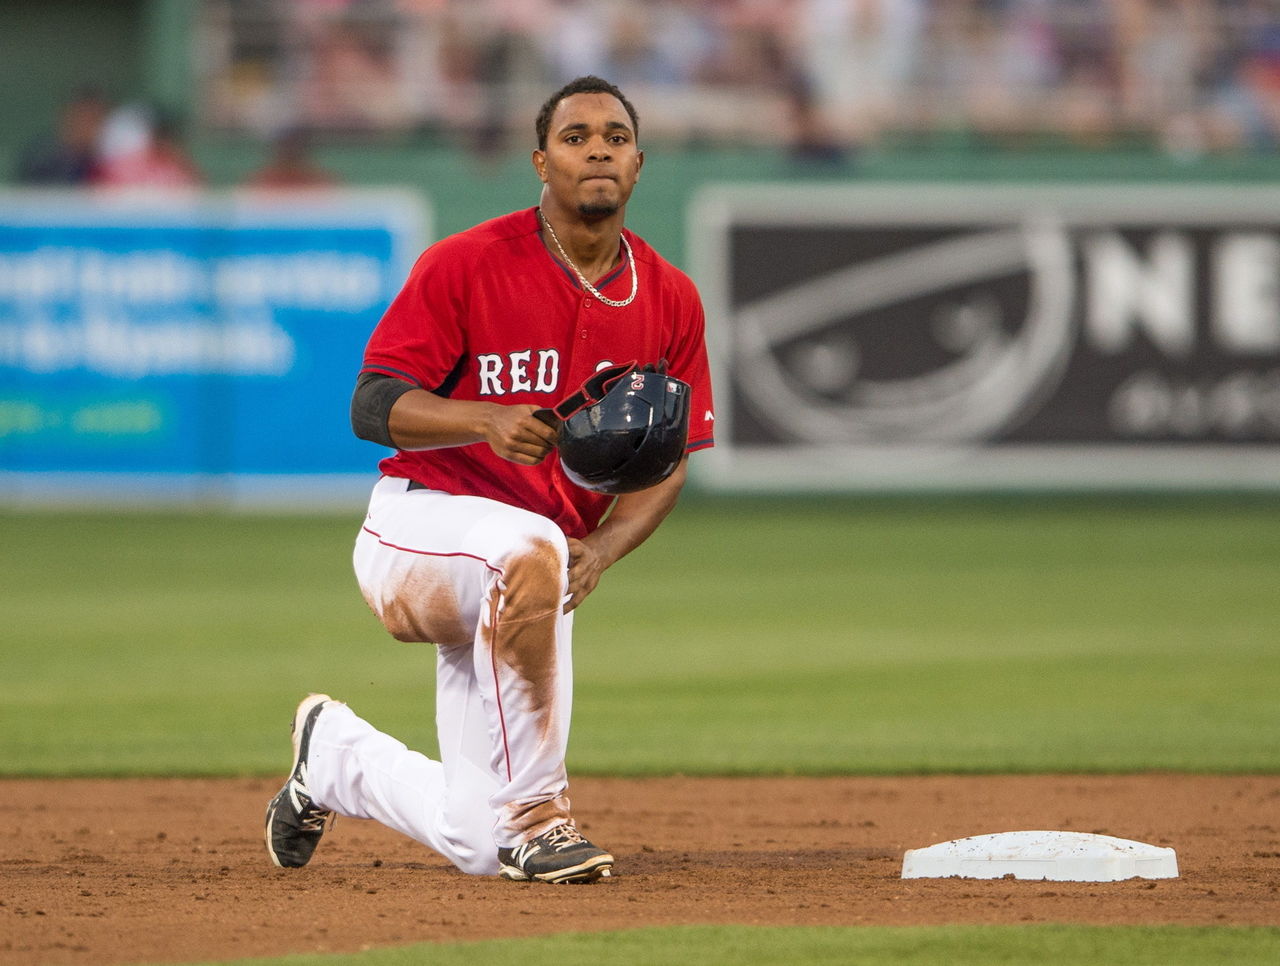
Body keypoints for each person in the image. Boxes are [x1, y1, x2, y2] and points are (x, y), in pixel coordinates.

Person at [264, 75, 716, 884]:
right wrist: (482, 417)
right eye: (576, 137)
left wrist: (606, 549)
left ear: (640, 164)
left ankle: (331, 755)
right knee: (528, 544)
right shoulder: (467, 263)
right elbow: (371, 405)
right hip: (419, 531)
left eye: (614, 135)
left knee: (476, 840)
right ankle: (542, 822)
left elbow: (670, 458)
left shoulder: (671, 299)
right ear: (541, 162)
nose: (598, 148)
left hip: (530, 573)